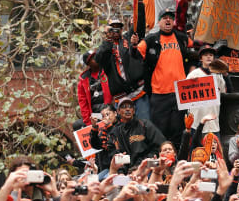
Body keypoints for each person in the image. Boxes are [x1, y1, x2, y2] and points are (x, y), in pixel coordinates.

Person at [139, 9, 194, 148]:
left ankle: (176, 160)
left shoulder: (181, 38)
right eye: (164, 18)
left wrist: (193, 67)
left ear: (174, 21)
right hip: (159, 93)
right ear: (159, 22)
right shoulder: (151, 40)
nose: (168, 20)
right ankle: (162, 161)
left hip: (180, 93)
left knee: (178, 129)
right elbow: (135, 54)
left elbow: (197, 50)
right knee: (160, 130)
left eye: (170, 18)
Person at [94, 17, 150, 120]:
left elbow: (139, 27)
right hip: (121, 98)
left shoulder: (128, 38)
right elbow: (98, 59)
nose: (115, 30)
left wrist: (138, 9)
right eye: (112, 28)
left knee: (144, 125)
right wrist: (108, 39)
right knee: (125, 131)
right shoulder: (105, 47)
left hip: (139, 92)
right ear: (107, 30)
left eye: (118, 27)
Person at [109, 97, 165, 167]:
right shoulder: (116, 132)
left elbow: (161, 146)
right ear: (118, 111)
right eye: (124, 107)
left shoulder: (145, 124)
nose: (127, 109)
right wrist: (123, 171)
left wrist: (142, 164)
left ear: (134, 111)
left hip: (149, 165)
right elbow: (113, 155)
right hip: (129, 170)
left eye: (130, 106)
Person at [185, 44, 228, 134]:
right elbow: (184, 98)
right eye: (205, 55)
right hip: (196, 123)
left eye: (211, 55)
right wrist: (191, 83)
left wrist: (226, 75)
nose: (208, 57)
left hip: (213, 124)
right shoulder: (193, 74)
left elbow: (224, 92)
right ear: (201, 58)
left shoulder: (218, 75)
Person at [76, 49, 112, 128]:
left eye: (96, 56)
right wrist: (89, 123)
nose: (96, 58)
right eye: (92, 58)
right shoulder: (83, 81)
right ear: (88, 63)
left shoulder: (107, 71)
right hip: (96, 115)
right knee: (77, 125)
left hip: (110, 111)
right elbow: (83, 103)